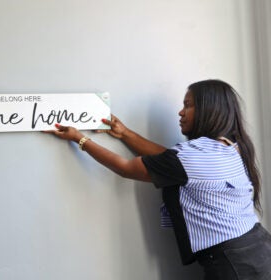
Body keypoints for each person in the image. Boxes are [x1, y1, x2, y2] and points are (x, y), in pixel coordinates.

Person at [47, 79, 271, 280]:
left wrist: (80, 138)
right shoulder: (228, 145)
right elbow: (170, 160)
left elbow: (126, 168)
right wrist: (125, 133)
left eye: (188, 105)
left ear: (208, 110)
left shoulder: (191, 157)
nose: (181, 112)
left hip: (234, 263)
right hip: (259, 246)